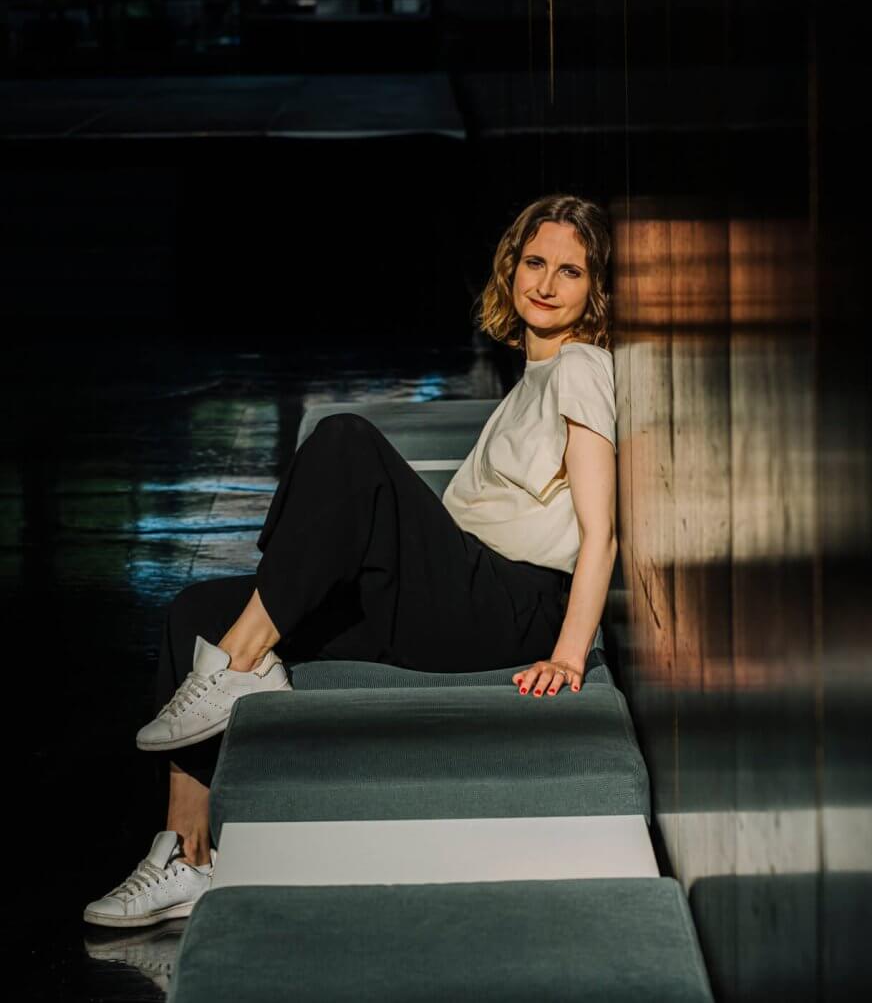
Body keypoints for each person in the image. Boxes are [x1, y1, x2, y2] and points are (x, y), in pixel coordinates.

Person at [82, 193, 619, 928]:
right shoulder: (534, 375)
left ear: (595, 291)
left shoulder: (582, 369)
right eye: (535, 263)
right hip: (452, 592)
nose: (546, 284)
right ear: (511, 267)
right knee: (195, 611)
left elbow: (601, 532)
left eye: (571, 272)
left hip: (503, 604)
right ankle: (186, 853)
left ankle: (241, 665)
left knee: (346, 441)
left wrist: (568, 653)